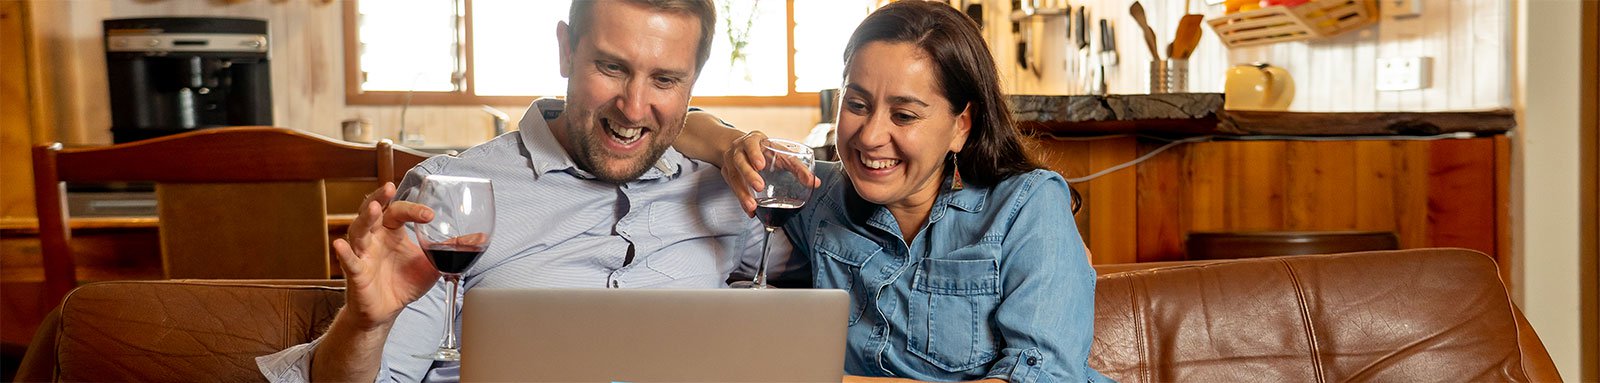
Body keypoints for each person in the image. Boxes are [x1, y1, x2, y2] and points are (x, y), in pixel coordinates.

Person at [256, 1, 798, 382]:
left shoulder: (730, 196)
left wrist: (726, 140)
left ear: (693, 82)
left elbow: (839, 245)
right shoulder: (453, 192)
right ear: (566, 50)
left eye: (664, 80)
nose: (633, 107)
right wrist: (364, 325)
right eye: (610, 67)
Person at [675, 2, 1110, 382]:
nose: (870, 136)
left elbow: (1045, 377)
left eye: (903, 115)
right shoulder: (819, 195)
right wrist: (734, 146)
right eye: (857, 104)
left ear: (961, 125)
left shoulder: (1027, 205)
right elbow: (682, 124)